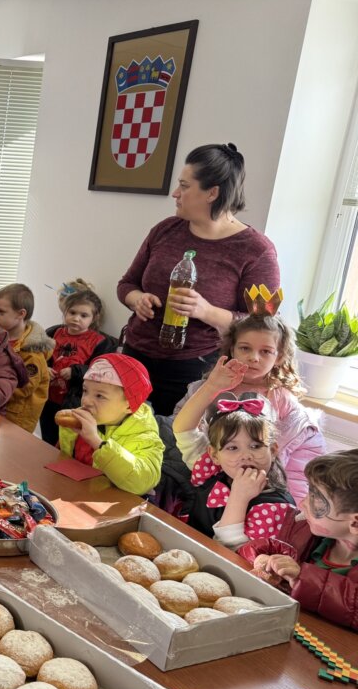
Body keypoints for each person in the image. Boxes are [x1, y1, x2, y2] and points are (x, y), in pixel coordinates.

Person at [118, 143, 281, 415]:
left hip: (196, 370)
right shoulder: (165, 230)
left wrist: (206, 311)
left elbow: (264, 324)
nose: (175, 194)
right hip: (136, 355)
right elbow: (127, 284)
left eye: (184, 186)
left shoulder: (256, 250)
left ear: (212, 193)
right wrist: (137, 299)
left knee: (172, 449)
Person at [172, 311, 324, 501]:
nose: (254, 357)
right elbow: (184, 431)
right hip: (210, 482)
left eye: (266, 351)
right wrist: (212, 386)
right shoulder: (210, 387)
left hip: (261, 491)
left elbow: (295, 470)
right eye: (245, 348)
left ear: (279, 357)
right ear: (232, 350)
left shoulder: (282, 399)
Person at [239, 450, 358, 632]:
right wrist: (260, 557)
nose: (302, 503)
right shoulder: (303, 531)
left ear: (355, 523)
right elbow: (263, 547)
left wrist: (302, 577)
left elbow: (353, 606)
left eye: (316, 501)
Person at [173, 376, 296, 548]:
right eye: (232, 448)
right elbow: (183, 429)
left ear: (273, 450)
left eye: (255, 446)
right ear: (214, 455)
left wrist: (239, 497)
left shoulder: (274, 506)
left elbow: (232, 553)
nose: (246, 455)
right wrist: (211, 386)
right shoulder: (212, 468)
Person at [56, 354, 164, 496]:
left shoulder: (145, 437)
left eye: (100, 396)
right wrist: (68, 430)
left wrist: (96, 442)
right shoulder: (86, 421)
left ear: (130, 406)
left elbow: (142, 483)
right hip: (74, 493)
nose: (86, 401)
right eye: (85, 391)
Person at [40, 280, 118, 445]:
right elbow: (39, 357)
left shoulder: (100, 342)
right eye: (72, 313)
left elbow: (100, 373)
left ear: (94, 317)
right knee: (47, 437)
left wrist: (75, 372)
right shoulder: (53, 332)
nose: (76, 319)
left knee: (66, 442)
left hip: (74, 402)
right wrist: (44, 368)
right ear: (65, 311)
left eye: (83, 315)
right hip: (47, 397)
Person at [0, 283, 54, 434]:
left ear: (21, 314)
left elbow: (25, 387)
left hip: (17, 418)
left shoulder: (32, 353)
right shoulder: (1, 337)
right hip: (0, 406)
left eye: (1, 312)